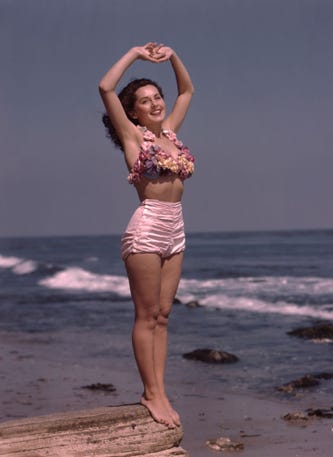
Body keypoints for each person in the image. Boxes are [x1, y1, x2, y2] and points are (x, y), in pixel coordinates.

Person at [98, 43, 194, 429]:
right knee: (146, 314)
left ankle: (160, 389)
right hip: (147, 227)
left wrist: (172, 57)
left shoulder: (171, 133)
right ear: (132, 111)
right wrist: (135, 54)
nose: (155, 104)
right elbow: (106, 88)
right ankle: (150, 393)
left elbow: (187, 90)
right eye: (145, 100)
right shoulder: (134, 138)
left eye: (157, 97)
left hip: (177, 227)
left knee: (164, 316)